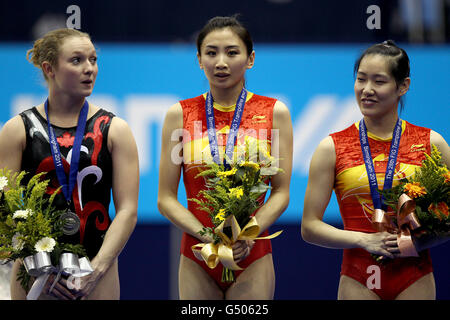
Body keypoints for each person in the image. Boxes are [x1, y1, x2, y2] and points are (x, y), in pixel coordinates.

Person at [301, 40, 450, 300]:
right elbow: (309, 227)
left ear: (403, 86)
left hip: (414, 276)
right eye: (361, 79)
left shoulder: (432, 143)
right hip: (357, 276)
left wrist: (418, 241)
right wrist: (363, 239)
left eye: (379, 82)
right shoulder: (331, 148)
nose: (367, 90)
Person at [157, 16, 292, 300]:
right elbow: (165, 198)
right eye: (211, 52)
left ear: (250, 58)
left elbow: (280, 193)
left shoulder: (275, 112)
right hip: (198, 253)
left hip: (251, 254)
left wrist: (247, 234)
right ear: (199, 59)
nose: (221, 62)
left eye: (232, 52)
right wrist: (209, 236)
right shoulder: (178, 115)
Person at [0, 28, 139, 300]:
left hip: (98, 268)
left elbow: (128, 211)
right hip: (35, 271)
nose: (90, 69)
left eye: (93, 59)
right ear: (49, 68)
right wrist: (41, 267)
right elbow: (6, 206)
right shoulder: (17, 130)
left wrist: (97, 269)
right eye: (76, 60)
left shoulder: (115, 130)